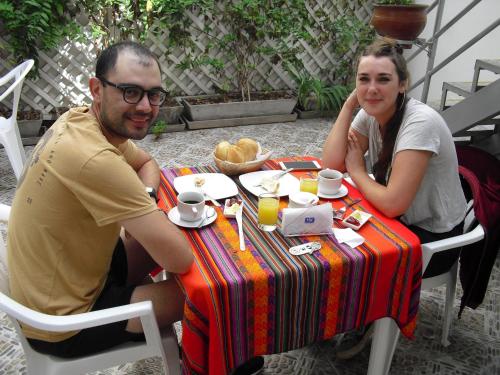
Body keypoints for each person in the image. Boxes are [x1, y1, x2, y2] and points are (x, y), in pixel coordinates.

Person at [7, 41, 193, 358]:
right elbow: (180, 259)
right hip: (62, 323)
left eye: (154, 94)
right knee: (211, 295)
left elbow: (146, 163)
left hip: (80, 270)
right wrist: (146, 217)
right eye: (130, 92)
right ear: (97, 89)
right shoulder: (94, 158)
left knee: (173, 240)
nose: (146, 107)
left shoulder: (81, 122)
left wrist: (144, 201)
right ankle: (209, 363)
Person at [322, 38, 467, 357]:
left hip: (433, 240)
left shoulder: (419, 123)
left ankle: (367, 317)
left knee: (348, 253)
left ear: (402, 85)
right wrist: (350, 105)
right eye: (364, 80)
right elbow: (331, 165)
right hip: (398, 221)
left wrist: (357, 171)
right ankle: (342, 313)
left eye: (383, 79)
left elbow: (392, 203)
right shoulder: (371, 114)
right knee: (325, 232)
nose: (372, 88)